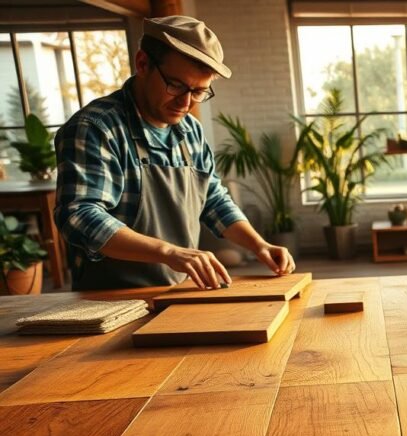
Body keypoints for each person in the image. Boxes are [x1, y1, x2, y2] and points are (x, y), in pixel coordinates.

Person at [54, 15, 294, 291]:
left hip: (177, 291)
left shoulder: (190, 130)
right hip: (111, 300)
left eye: (199, 91)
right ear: (142, 63)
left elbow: (213, 199)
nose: (186, 102)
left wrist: (258, 244)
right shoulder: (95, 129)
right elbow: (79, 215)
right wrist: (169, 253)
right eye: (176, 85)